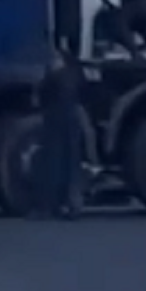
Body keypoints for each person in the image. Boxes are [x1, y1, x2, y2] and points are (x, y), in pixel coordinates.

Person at [37, 48, 85, 218]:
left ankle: (51, 206)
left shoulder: (54, 75)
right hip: (70, 116)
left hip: (55, 118)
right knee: (71, 162)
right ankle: (72, 205)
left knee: (54, 162)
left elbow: (42, 92)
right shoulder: (74, 71)